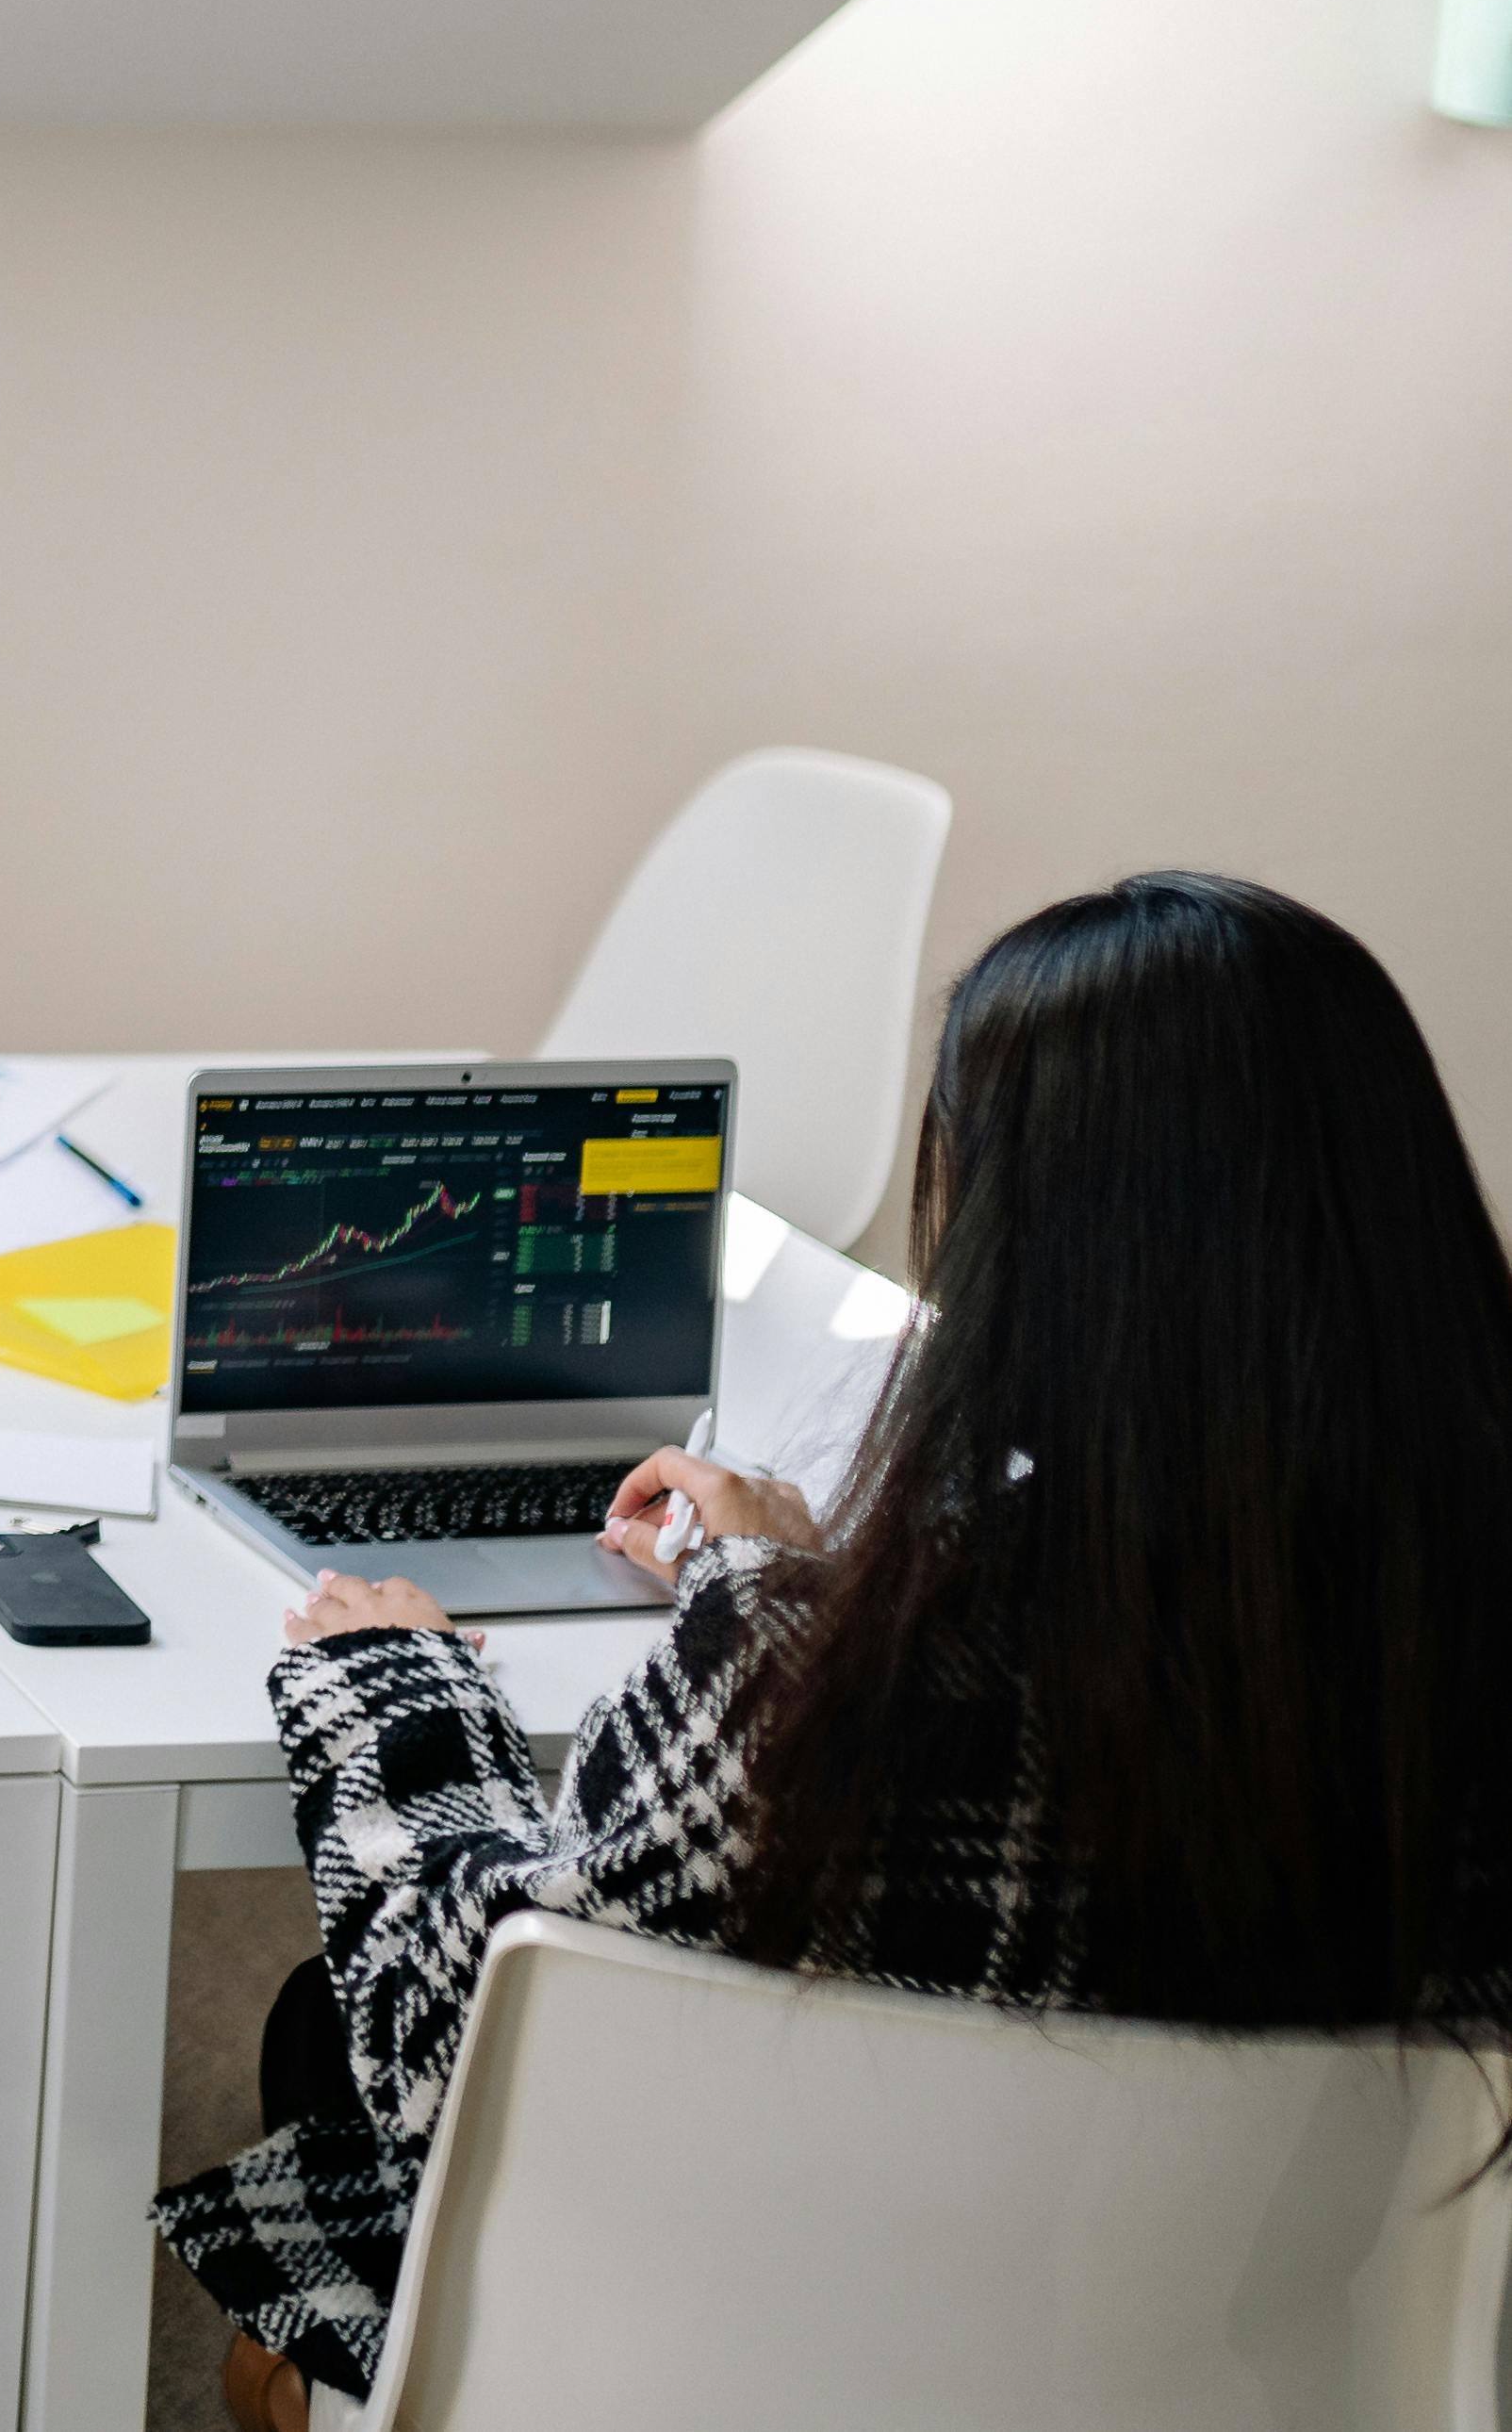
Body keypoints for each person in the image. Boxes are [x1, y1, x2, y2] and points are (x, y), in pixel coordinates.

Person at [156, 871, 1512, 2429]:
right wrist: (777, 1572)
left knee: (323, 2029)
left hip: (723, 2375)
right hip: (1266, 2375)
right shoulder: (1453, 1655)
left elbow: (434, 2027)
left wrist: (398, 1681)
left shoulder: (817, 1702)